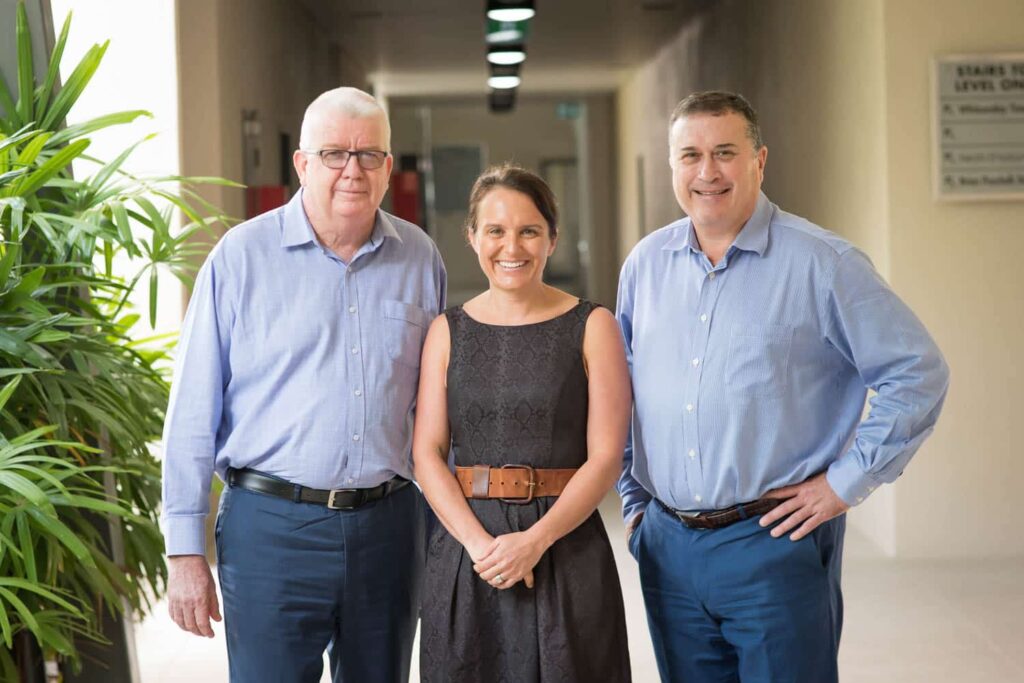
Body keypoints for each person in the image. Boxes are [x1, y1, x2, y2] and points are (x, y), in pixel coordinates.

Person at [617, 91, 950, 682]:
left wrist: (845, 483)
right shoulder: (645, 265)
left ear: (760, 161)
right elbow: (620, 392)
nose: (707, 171)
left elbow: (916, 371)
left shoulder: (824, 263)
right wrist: (635, 503)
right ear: (673, 165)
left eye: (725, 152)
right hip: (667, 549)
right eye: (690, 155)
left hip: (773, 541)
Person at [161, 87, 446, 683]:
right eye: (334, 153)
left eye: (369, 155)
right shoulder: (241, 257)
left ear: (389, 167)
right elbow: (191, 410)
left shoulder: (420, 258)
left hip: (389, 527)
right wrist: (184, 550)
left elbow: (439, 404)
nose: (352, 170)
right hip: (271, 529)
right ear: (302, 163)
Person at [413, 164, 632, 682]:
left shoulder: (594, 325)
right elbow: (427, 453)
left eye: (529, 231)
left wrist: (534, 541)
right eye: (495, 230)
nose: (511, 247)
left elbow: (606, 457)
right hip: (468, 553)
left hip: (566, 546)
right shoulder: (447, 331)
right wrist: (478, 547)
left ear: (552, 238)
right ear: (472, 237)